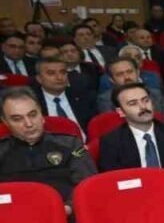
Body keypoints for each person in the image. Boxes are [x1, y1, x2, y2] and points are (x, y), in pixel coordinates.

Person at [0, 87, 97, 215]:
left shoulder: (71, 144)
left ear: (41, 114)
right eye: (17, 119)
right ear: (5, 122)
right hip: (17, 219)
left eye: (33, 115)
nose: (29, 124)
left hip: (67, 216)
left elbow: (88, 184)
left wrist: (67, 208)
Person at [97, 82, 164, 201]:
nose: (143, 107)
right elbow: (112, 181)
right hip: (133, 198)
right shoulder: (111, 141)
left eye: (145, 100)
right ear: (121, 112)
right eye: (133, 103)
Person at [32, 58, 93, 137]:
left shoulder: (83, 96)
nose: (59, 77)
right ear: (39, 79)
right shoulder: (32, 102)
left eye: (63, 72)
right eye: (51, 73)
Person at [97, 57, 164, 116]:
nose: (127, 77)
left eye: (130, 72)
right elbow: (112, 124)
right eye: (120, 74)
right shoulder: (106, 100)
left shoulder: (155, 94)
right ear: (112, 80)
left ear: (138, 73)